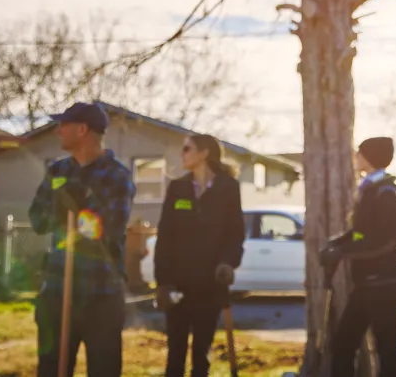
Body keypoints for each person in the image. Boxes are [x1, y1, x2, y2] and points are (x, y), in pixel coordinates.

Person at [29, 102, 135, 377]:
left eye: (62, 125)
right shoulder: (57, 172)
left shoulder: (116, 176)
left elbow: (108, 230)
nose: (57, 132)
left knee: (104, 371)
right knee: (51, 370)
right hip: (57, 290)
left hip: (100, 295)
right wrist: (58, 209)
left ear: (82, 129)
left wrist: (79, 211)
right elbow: (37, 220)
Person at [154, 134, 245, 377]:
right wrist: (162, 281)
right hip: (178, 284)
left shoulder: (228, 188)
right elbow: (165, 237)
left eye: (187, 149)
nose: (182, 154)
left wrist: (228, 263)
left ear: (203, 153)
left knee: (201, 355)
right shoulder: (178, 188)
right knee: (175, 353)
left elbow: (235, 234)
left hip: (210, 284)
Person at [320, 137, 396, 377]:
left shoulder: (388, 195)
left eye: (359, 153)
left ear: (370, 158)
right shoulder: (369, 189)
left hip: (383, 283)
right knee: (343, 344)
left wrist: (344, 252)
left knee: (387, 348)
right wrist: (336, 244)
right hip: (365, 283)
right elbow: (360, 234)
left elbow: (386, 242)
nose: (355, 158)